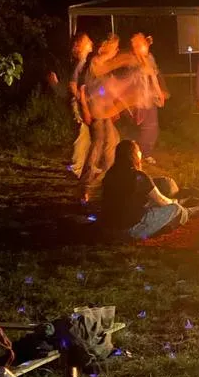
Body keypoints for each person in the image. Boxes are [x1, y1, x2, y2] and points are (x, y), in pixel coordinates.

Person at [100, 140, 189, 239]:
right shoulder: (139, 176)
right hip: (129, 230)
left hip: (108, 228)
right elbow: (162, 201)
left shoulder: (110, 174)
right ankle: (187, 213)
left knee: (151, 205)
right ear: (133, 155)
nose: (140, 153)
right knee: (177, 209)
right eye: (138, 150)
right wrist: (175, 202)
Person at [80, 33, 130, 198]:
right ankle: (87, 183)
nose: (116, 50)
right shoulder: (95, 63)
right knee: (99, 144)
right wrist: (87, 109)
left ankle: (107, 178)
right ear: (106, 48)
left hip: (103, 110)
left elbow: (104, 89)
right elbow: (90, 89)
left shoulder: (103, 65)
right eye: (115, 47)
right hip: (97, 110)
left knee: (112, 141)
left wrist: (113, 105)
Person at [124, 32, 167, 161]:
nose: (146, 47)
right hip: (138, 101)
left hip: (149, 99)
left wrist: (159, 94)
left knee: (152, 128)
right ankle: (134, 152)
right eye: (143, 45)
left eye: (145, 45)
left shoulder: (149, 58)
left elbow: (153, 76)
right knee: (139, 127)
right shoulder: (132, 61)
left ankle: (145, 153)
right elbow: (130, 82)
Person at [68, 32, 93, 180]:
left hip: (80, 102)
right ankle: (75, 168)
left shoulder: (84, 62)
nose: (91, 42)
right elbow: (72, 85)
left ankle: (82, 166)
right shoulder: (80, 63)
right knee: (81, 133)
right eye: (87, 40)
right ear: (80, 46)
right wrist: (81, 99)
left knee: (86, 136)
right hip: (77, 104)